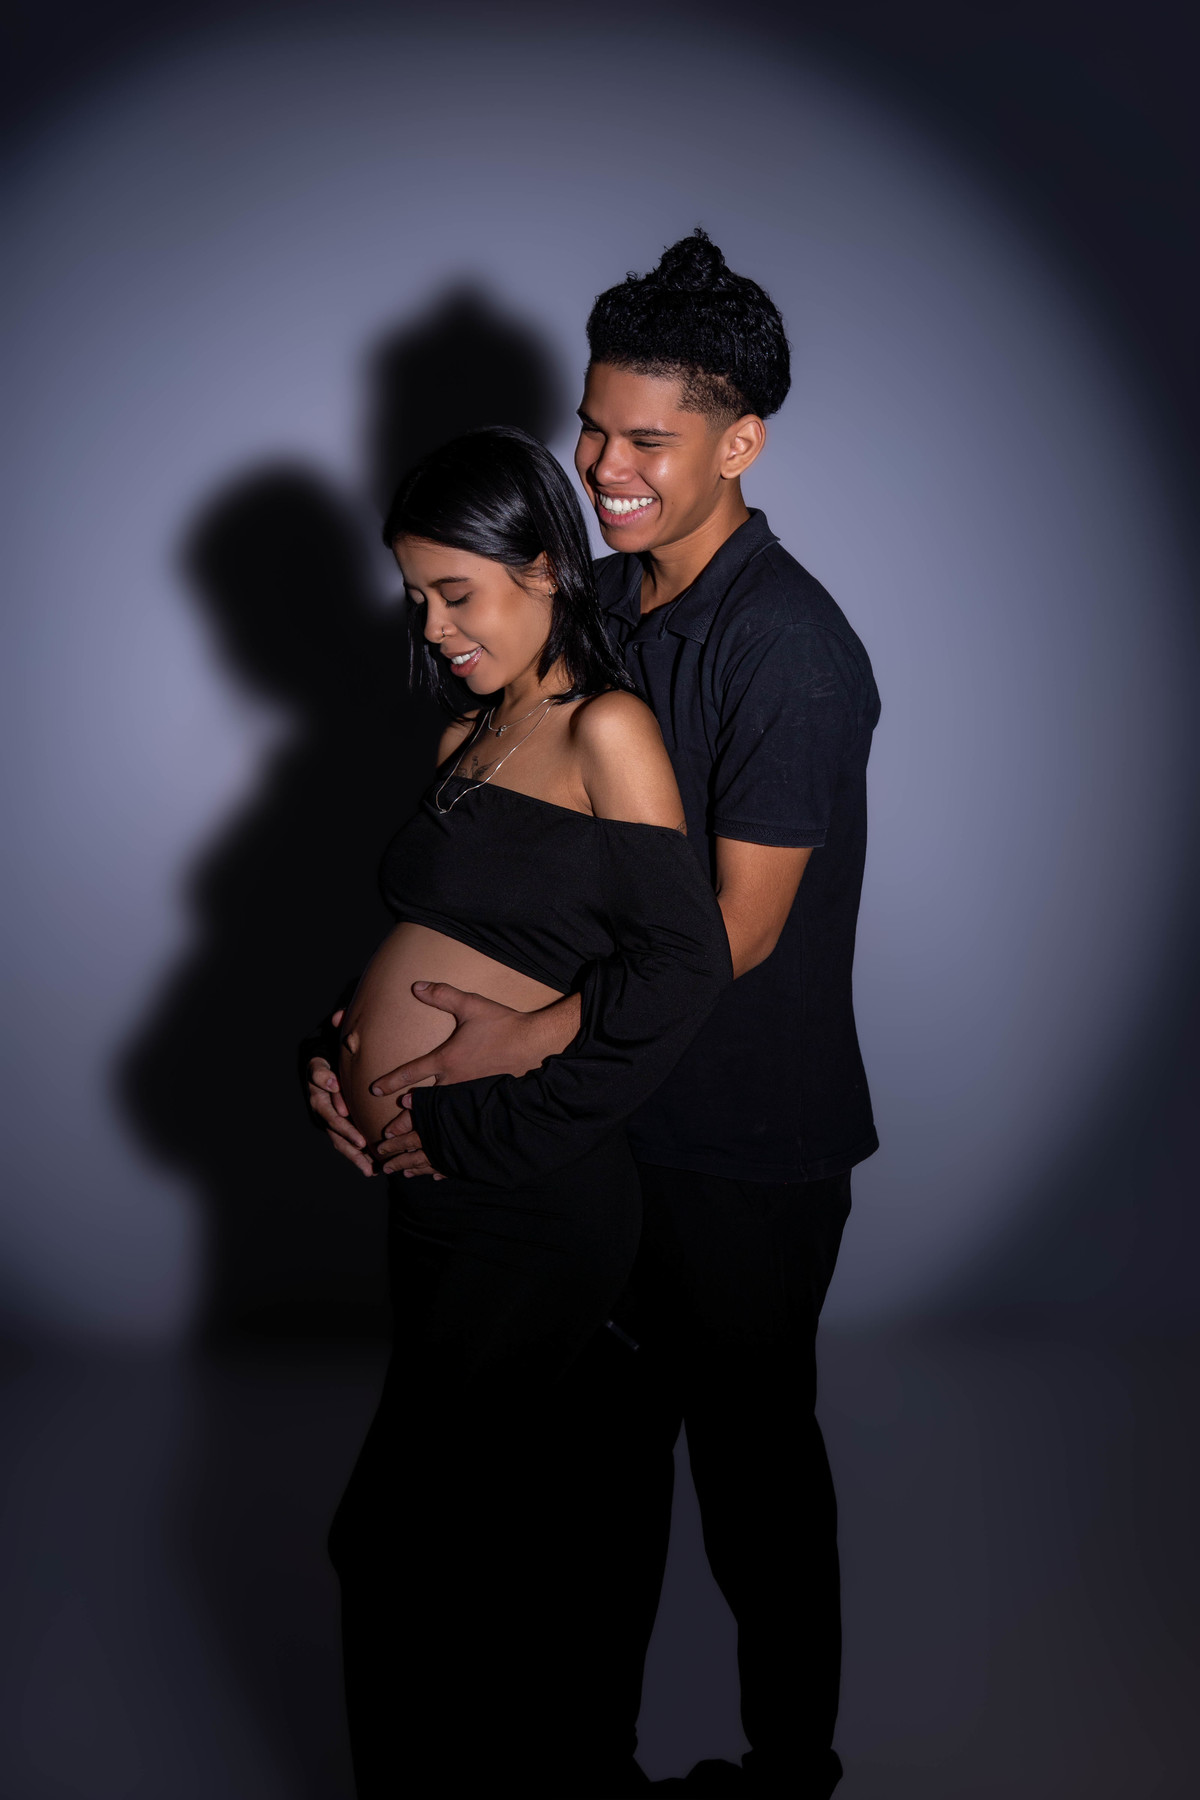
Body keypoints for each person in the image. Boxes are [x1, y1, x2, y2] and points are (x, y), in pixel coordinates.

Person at [311, 232, 880, 1799]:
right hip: (602, 1139)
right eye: (590, 427)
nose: (604, 466)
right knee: (599, 1484)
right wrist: (368, 1044)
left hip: (743, 1141)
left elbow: (734, 935)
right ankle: (594, 1767)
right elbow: (511, 872)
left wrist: (519, 1040)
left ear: (739, 444)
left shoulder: (791, 652)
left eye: (647, 439)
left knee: (755, 1478)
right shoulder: (599, 603)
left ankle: (788, 1772)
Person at [321, 423, 732, 1799]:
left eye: (457, 594)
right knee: (503, 1534)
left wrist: (487, 1095)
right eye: (417, 597)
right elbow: (450, 939)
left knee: (391, 1541)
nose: (434, 629)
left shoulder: (608, 732)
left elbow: (681, 964)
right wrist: (336, 1056)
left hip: (528, 1194)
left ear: (548, 567)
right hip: (433, 1195)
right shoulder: (469, 733)